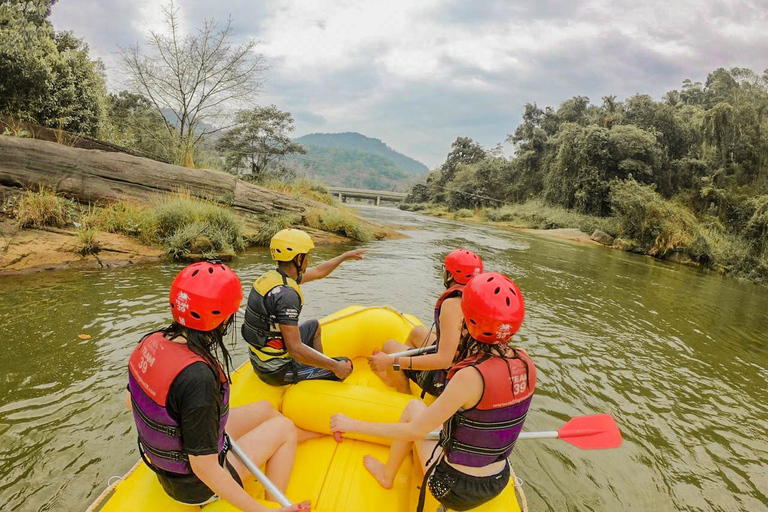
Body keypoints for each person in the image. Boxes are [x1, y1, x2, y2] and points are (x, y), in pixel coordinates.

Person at [331, 272, 535, 512]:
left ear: (470, 321)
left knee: (413, 409)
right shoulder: (526, 361)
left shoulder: (469, 377)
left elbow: (414, 430)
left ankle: (387, 475)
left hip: (453, 487)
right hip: (497, 481)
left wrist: (350, 424)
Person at [126, 261, 309, 512]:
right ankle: (274, 503)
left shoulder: (151, 341)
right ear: (222, 320)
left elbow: (132, 402)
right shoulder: (198, 377)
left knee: (266, 409)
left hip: (176, 454)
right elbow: (204, 467)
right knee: (284, 427)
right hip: (194, 486)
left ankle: (300, 437)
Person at [242, 228, 365, 386]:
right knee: (346, 364)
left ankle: (315, 371)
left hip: (261, 358)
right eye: (307, 256)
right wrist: (334, 366)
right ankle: (316, 381)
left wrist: (344, 256)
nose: (309, 260)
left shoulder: (272, 278)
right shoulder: (287, 296)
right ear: (298, 258)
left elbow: (319, 272)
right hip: (276, 370)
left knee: (314, 327)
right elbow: (295, 349)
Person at [368, 249, 483, 396]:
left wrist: (393, 361)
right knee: (417, 332)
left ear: (450, 275)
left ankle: (403, 392)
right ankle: (399, 375)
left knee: (390, 346)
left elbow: (445, 360)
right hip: (467, 364)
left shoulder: (452, 304)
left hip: (447, 380)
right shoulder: (479, 297)